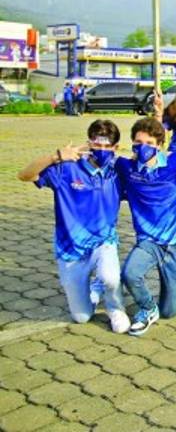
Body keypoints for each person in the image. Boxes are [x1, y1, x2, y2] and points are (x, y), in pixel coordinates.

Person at [17, 120, 130, 333]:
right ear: (88, 143)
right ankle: (95, 289)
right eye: (97, 145)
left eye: (108, 146)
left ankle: (116, 308)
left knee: (111, 278)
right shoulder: (67, 169)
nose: (102, 150)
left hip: (103, 243)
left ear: (115, 148)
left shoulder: (118, 172)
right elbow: (25, 175)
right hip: (70, 250)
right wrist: (55, 156)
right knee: (81, 317)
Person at [116, 117, 176, 335]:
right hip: (149, 241)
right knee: (130, 274)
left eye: (150, 143)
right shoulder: (125, 167)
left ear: (160, 145)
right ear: (132, 143)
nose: (144, 147)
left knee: (170, 310)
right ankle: (148, 308)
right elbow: (98, 160)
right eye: (139, 142)